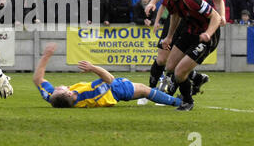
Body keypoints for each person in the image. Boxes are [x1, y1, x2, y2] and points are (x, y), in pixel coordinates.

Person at [34, 43, 182, 108]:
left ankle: (174, 98)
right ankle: (177, 102)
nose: (58, 86)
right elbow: (109, 79)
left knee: (144, 91)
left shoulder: (52, 98)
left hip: (111, 89)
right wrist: (93, 68)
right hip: (114, 90)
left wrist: (46, 56)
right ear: (70, 93)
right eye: (61, 88)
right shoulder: (87, 93)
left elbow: (38, 79)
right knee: (145, 90)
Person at [158, 0, 221, 111]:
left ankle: (187, 101)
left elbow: (216, 17)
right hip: (190, 32)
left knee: (179, 72)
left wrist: (208, 34)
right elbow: (174, 16)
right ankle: (197, 78)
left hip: (207, 36)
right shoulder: (169, 0)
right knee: (170, 67)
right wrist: (169, 37)